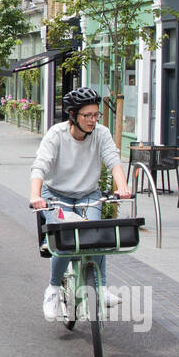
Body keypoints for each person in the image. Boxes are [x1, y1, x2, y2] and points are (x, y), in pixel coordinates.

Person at [29, 87, 133, 319]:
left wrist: (122, 187)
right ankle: (53, 289)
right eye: (88, 115)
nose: (93, 120)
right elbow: (40, 166)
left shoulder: (101, 134)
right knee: (64, 242)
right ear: (73, 115)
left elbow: (113, 161)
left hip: (88, 194)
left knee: (95, 236)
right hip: (56, 194)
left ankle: (100, 288)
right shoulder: (57, 134)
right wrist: (36, 196)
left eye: (96, 115)